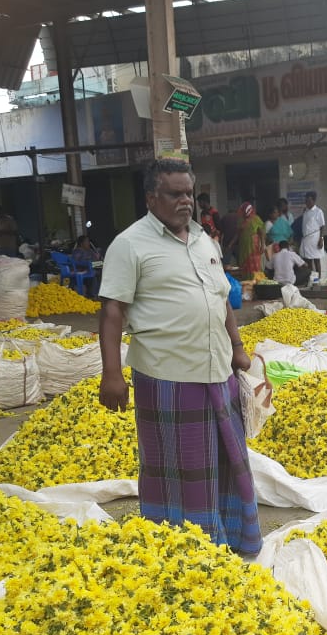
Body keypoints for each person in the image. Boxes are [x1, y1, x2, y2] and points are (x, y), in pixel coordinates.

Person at [98, 159, 260, 554]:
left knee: (225, 462)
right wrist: (111, 373)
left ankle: (228, 538)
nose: (185, 200)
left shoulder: (205, 240)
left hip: (216, 369)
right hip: (167, 375)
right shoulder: (130, 244)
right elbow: (112, 310)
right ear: (152, 198)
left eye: (188, 192)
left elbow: (221, 300)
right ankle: (183, 548)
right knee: (180, 470)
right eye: (175, 193)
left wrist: (237, 347)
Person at [300, 192, 325, 279]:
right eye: (306, 201)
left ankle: (318, 279)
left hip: (315, 238)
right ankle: (311, 278)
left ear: (314, 201)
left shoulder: (318, 211)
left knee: (316, 260)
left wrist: (321, 239)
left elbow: (322, 226)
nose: (307, 203)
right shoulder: (305, 211)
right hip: (307, 239)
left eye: (309, 201)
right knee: (309, 260)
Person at [236, 202, 264, 279]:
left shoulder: (256, 219)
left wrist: (262, 245)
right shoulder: (241, 220)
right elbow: (238, 234)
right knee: (245, 264)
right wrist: (231, 244)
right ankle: (247, 281)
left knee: (254, 264)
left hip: (253, 247)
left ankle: (256, 280)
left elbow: (261, 233)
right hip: (243, 247)